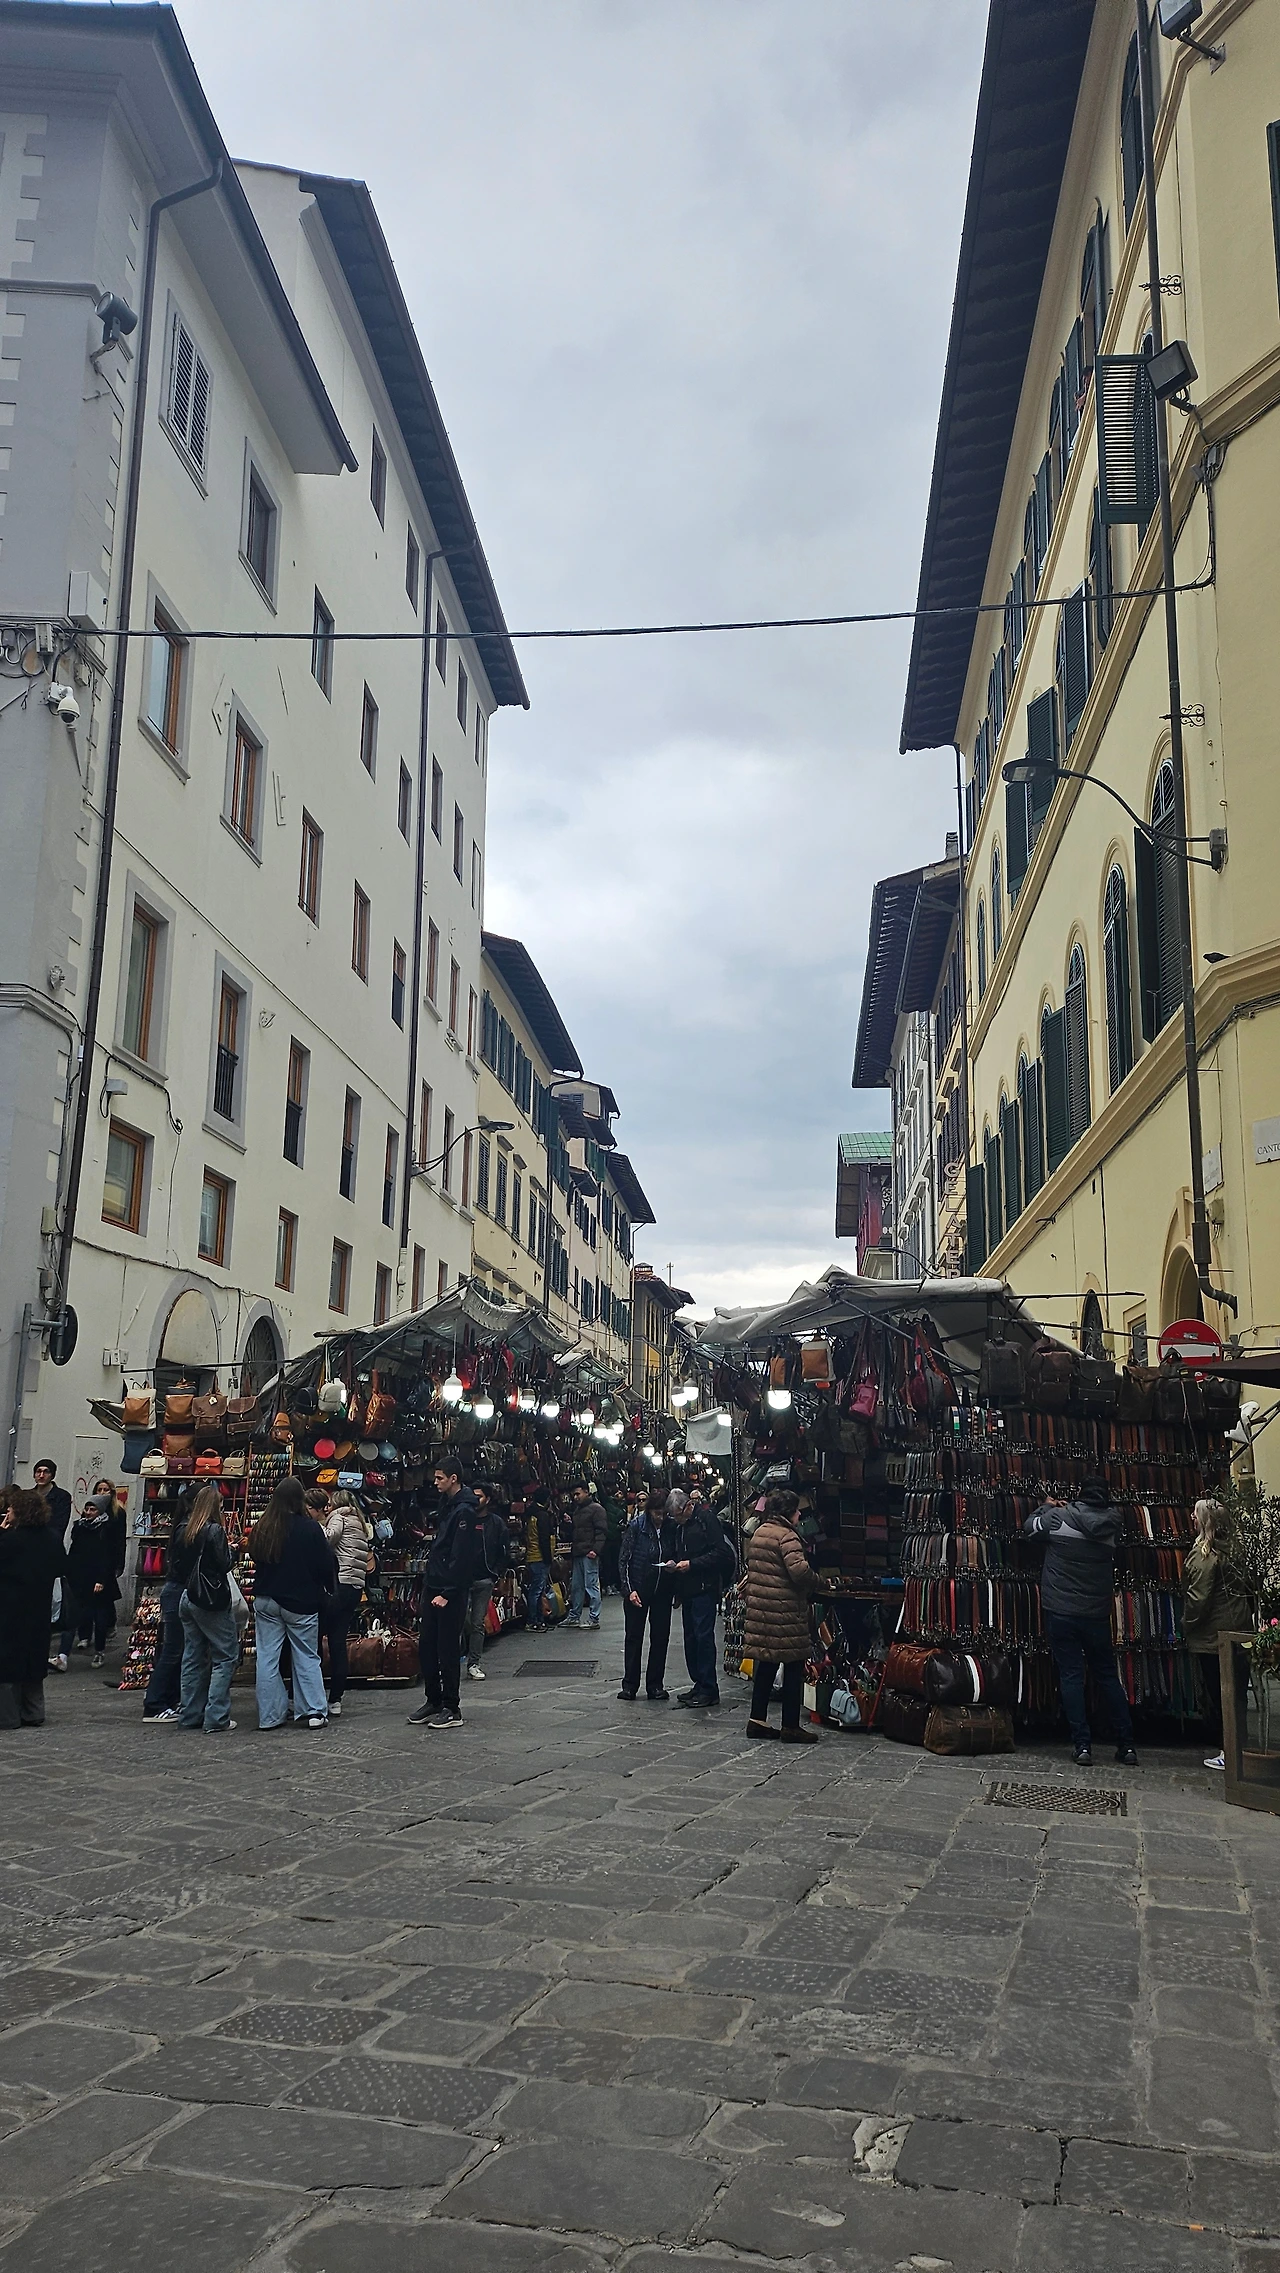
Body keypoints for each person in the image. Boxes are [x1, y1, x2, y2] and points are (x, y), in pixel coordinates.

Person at [1026, 1472, 1138, 1768]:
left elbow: (1030, 1528)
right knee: (1107, 1676)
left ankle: (1082, 1745)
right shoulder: (1112, 1525)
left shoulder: (1058, 1518)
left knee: (1071, 1676)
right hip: (1097, 1613)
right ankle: (1127, 1745)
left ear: (1080, 1492)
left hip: (1061, 1610)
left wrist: (1046, 1506)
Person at [248, 1476, 334, 1731]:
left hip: (266, 1598)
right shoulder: (309, 1528)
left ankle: (269, 1715)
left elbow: (255, 1557)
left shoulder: (263, 1527)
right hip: (300, 1601)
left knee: (267, 1658)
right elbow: (325, 1565)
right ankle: (313, 1710)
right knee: (306, 1655)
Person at [742, 1488, 819, 1745]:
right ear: (788, 1512)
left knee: (766, 1664)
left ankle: (757, 1720)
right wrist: (819, 1582)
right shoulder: (787, 1536)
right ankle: (790, 1726)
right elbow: (799, 1571)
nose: (800, 1515)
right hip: (784, 1612)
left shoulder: (760, 1532)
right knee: (794, 1665)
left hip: (762, 1611)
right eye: (797, 1510)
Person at [408, 1458, 479, 1730]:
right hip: (434, 1584)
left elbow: (462, 1555)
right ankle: (434, 1700)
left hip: (450, 1590)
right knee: (427, 1646)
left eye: (440, 1478)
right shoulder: (448, 1506)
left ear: (453, 1478)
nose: (435, 1482)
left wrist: (449, 1591)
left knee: (447, 1649)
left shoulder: (465, 1512)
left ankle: (452, 1707)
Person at [1183, 1497, 1251, 1771]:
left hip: (1215, 1635)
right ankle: (1238, 1748)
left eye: (1195, 1514)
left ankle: (1230, 1752)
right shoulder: (1235, 1549)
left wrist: (1186, 1624)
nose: (1191, 1517)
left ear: (1205, 1521)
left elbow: (1198, 1599)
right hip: (1239, 1627)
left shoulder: (1205, 1554)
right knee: (1236, 1693)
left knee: (1222, 1693)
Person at [170, 1484, 239, 1735]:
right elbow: (225, 1564)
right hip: (210, 1597)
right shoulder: (214, 1531)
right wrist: (234, 1551)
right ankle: (216, 1716)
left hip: (188, 1595)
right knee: (225, 1656)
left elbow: (177, 1564)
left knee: (193, 1656)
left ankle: (190, 1713)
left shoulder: (183, 1529)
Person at [0, 1489, 66, 1728]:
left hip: (9, 1608)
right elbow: (60, 1566)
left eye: (10, 1508)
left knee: (7, 1663)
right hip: (39, 1607)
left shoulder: (10, 1540)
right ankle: (33, 1712)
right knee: (33, 1661)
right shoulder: (51, 1537)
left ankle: (8, 1716)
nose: (7, 1512)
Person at [669, 1488, 732, 1708]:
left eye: (678, 1515)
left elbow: (721, 1553)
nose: (677, 1520)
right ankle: (699, 1683)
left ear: (688, 1506)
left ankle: (709, 1688)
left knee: (703, 1638)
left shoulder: (707, 1520)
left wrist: (693, 1564)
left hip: (705, 1588)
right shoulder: (682, 1526)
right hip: (688, 1589)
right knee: (691, 1639)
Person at [617, 1490, 677, 1701]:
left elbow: (676, 1553)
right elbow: (624, 1560)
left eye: (663, 1513)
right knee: (634, 1637)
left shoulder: (671, 1527)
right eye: (657, 1513)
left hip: (662, 1590)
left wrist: (673, 1566)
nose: (660, 1518)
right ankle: (630, 1685)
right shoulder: (636, 1527)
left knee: (660, 1638)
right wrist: (629, 1590)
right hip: (639, 1588)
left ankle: (655, 1685)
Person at [57, 1484, 126, 1669]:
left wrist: (102, 1580)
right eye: (87, 1509)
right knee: (72, 1616)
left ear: (100, 1510)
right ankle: (63, 1656)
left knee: (100, 1618)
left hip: (99, 1579)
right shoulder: (79, 1527)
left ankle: (99, 1651)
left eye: (92, 1509)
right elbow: (74, 1552)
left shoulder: (107, 1528)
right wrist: (67, 1571)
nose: (88, 1512)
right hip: (79, 1577)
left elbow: (107, 1557)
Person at [141, 1486, 192, 1724]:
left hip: (176, 1590)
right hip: (178, 1591)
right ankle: (154, 1703)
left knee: (177, 1650)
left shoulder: (181, 1527)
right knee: (172, 1650)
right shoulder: (185, 1530)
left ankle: (170, 1699)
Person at [319, 1489, 370, 1718]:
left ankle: (313, 1694)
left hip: (339, 1583)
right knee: (338, 1643)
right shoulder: (358, 1521)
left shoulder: (339, 1517)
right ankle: (336, 1699)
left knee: (316, 1638)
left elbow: (328, 1538)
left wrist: (317, 1525)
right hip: (355, 1586)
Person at [463, 1483, 510, 1680]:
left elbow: (504, 1550)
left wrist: (495, 1573)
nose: (475, 1500)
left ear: (488, 1499)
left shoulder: (496, 1523)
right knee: (457, 1622)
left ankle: (474, 1663)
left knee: (477, 1623)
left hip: (484, 1579)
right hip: (462, 1580)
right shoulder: (463, 1519)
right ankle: (450, 1663)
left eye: (479, 1496)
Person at [565, 1482, 606, 1629]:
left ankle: (594, 1618)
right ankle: (574, 1616)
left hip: (589, 1553)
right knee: (577, 1586)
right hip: (579, 1552)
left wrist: (595, 1550)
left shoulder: (596, 1509)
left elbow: (601, 1531)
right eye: (574, 1495)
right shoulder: (577, 1511)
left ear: (587, 1492)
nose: (575, 1497)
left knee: (591, 1585)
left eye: (578, 1494)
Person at [520, 1492, 556, 1631]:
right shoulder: (542, 1516)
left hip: (533, 1556)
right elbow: (544, 1539)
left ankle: (539, 1620)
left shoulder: (532, 1515)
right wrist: (548, 1558)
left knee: (538, 1590)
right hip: (540, 1557)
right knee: (536, 1591)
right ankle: (533, 1621)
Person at [32, 1459, 72, 1545]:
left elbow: (59, 1525)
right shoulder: (28, 1496)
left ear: (52, 1475)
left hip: (50, 1544)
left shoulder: (62, 1496)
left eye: (46, 1472)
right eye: (38, 1471)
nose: (41, 1475)